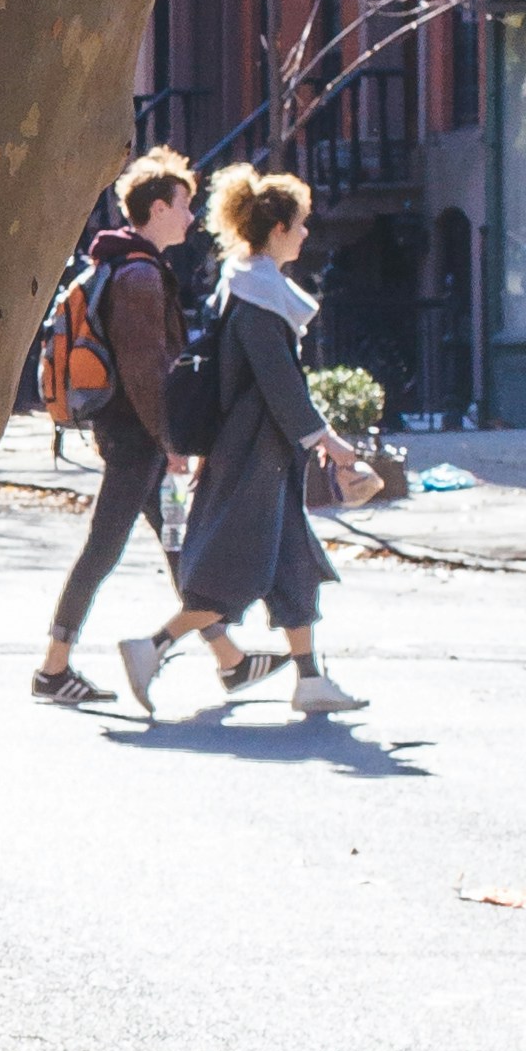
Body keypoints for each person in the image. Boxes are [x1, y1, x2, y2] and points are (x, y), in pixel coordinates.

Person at [121, 166, 364, 720]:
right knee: (234, 567)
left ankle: (309, 681)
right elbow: (278, 383)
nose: (306, 232)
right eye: (300, 223)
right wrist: (328, 440)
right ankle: (151, 648)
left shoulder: (254, 285)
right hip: (256, 453)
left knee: (293, 565)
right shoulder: (259, 296)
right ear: (277, 227)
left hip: (266, 453)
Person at [33, 149, 199, 708]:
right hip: (137, 438)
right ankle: (54, 668)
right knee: (104, 548)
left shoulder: (125, 265)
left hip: (136, 436)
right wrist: (170, 442)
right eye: (184, 205)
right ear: (157, 208)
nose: (191, 217)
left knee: (178, 541)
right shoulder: (139, 277)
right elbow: (145, 373)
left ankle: (229, 657)